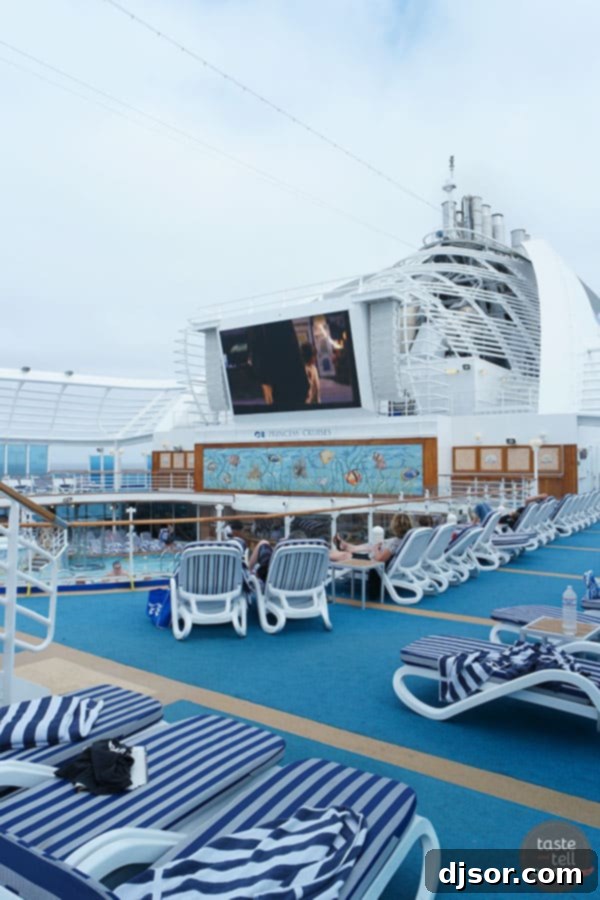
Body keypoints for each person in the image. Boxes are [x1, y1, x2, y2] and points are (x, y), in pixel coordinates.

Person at [332, 513, 413, 567]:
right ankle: (345, 545)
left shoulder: (394, 543)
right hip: (376, 552)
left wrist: (376, 549)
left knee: (346, 555)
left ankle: (325, 554)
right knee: (365, 547)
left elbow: (379, 559)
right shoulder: (407, 538)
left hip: (373, 561)